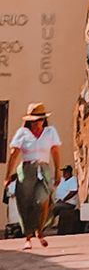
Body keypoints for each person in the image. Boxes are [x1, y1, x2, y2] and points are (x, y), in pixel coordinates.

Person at [6, 106, 60, 252]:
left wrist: (58, 171)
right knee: (25, 203)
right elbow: (14, 154)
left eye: (40, 120)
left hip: (44, 169)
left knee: (42, 200)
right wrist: (8, 175)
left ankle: (40, 229)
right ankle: (28, 237)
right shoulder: (22, 133)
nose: (38, 123)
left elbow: (55, 152)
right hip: (27, 169)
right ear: (29, 122)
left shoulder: (50, 132)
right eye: (35, 121)